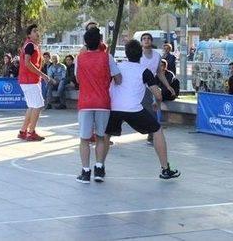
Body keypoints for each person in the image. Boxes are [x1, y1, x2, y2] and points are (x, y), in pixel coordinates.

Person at [102, 39, 180, 180]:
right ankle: (165, 169)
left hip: (114, 108)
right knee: (157, 130)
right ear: (141, 55)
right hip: (133, 109)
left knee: (106, 134)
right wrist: (157, 101)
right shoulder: (144, 71)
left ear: (126, 53)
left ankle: (99, 167)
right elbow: (158, 94)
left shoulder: (117, 67)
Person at [75, 27, 121, 183]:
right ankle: (99, 169)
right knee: (101, 137)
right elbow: (118, 79)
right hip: (103, 102)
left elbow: (78, 79)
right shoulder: (108, 58)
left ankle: (85, 171)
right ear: (100, 41)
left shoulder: (79, 58)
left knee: (85, 139)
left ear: (85, 42)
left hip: (85, 102)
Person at [140, 32, 176, 144]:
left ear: (151, 41)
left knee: (153, 107)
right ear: (141, 42)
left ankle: (152, 134)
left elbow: (160, 73)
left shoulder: (156, 56)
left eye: (148, 38)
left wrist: (168, 86)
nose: (146, 40)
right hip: (138, 85)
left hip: (150, 86)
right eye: (144, 38)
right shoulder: (138, 54)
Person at [17, 24, 50, 141]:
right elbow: (27, 63)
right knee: (38, 105)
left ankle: (23, 131)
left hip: (27, 80)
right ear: (29, 35)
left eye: (37, 30)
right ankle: (31, 132)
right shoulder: (30, 45)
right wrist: (43, 74)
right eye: (34, 31)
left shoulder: (31, 45)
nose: (37, 33)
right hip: (30, 80)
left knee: (32, 106)